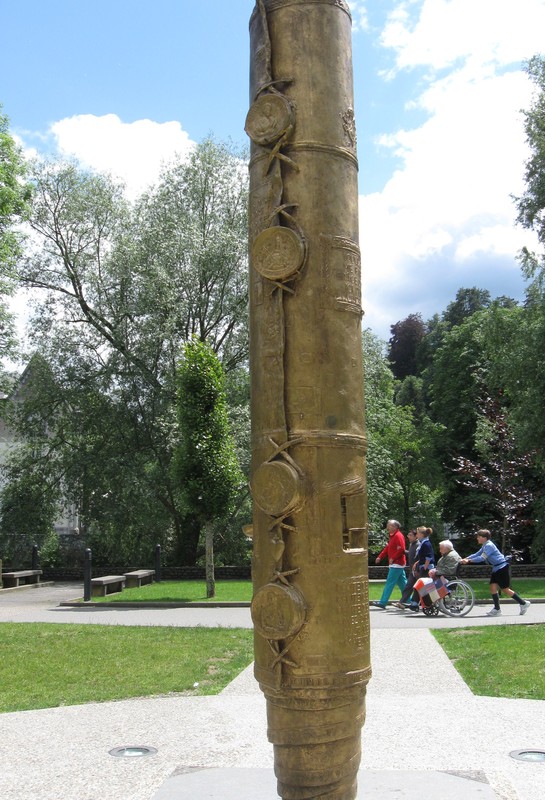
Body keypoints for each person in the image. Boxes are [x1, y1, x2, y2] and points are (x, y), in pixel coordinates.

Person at [460, 529, 531, 617]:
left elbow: (482, 558)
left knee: (505, 589)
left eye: (478, 537)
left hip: (501, 568)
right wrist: (465, 558)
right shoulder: (485, 545)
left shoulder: (489, 546)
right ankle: (497, 609)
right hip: (496, 568)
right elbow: (476, 554)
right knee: (492, 587)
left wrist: (468, 560)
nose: (477, 538)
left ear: (484, 538)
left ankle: (523, 603)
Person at [371, 519, 407, 609]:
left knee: (389, 583)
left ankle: (383, 602)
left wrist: (393, 558)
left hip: (397, 564)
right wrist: (380, 557)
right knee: (403, 584)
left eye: (389, 525)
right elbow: (387, 548)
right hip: (396, 564)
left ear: (395, 527)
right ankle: (409, 600)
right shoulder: (392, 536)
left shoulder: (398, 536)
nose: (387, 527)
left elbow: (401, 549)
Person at [405, 526, 435, 612]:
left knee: (420, 586)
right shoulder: (423, 543)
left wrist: (425, 567)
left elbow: (429, 557)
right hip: (423, 567)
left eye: (417, 533)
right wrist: (418, 563)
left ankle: (415, 603)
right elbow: (422, 556)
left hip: (426, 569)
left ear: (421, 534)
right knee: (421, 586)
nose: (417, 535)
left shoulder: (426, 543)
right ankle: (421, 603)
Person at [394, 529, 418, 609]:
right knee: (408, 586)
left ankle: (415, 604)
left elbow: (419, 557)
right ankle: (401, 602)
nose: (408, 537)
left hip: (417, 570)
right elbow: (411, 554)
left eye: (410, 535)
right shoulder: (412, 544)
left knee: (417, 588)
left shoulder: (418, 545)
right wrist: (403, 550)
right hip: (413, 570)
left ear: (416, 536)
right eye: (408, 535)